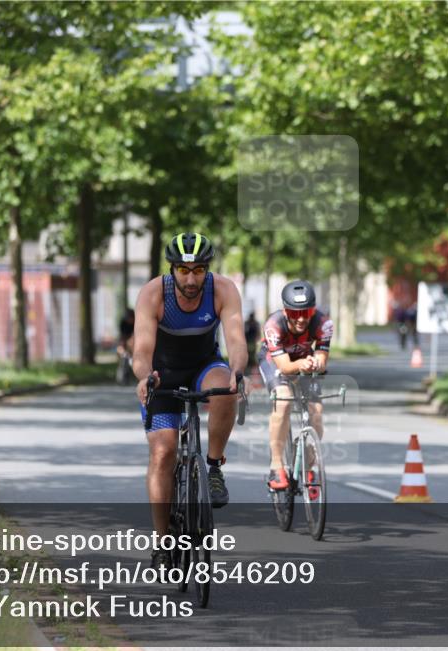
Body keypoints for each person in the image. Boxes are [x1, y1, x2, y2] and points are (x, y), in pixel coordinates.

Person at [132, 232, 247, 573]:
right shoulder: (154, 293)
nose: (192, 279)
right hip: (161, 373)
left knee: (226, 388)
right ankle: (163, 541)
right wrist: (144, 376)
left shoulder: (222, 290)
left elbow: (236, 340)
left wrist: (238, 371)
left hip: (203, 366)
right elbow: (141, 350)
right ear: (173, 269)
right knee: (163, 452)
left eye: (199, 270)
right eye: (184, 270)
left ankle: (212, 468)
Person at [257, 280, 334, 492]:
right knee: (283, 400)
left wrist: (316, 362)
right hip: (275, 361)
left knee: (316, 411)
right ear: (285, 311)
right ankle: (276, 465)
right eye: (293, 313)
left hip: (302, 359)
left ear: (314, 310)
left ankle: (309, 465)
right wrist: (302, 363)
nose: (301, 318)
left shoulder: (323, 323)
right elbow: (284, 366)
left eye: (306, 312)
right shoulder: (274, 326)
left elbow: (322, 357)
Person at [244, 310, 261, 375]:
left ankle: (252, 365)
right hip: (248, 340)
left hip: (252, 340)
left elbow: (258, 332)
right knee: (248, 352)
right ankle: (248, 364)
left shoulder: (256, 323)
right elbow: (244, 332)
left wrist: (257, 338)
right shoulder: (247, 323)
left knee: (253, 352)